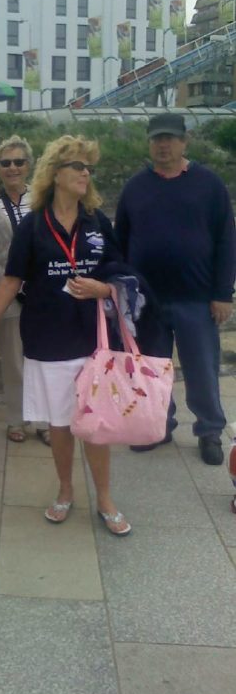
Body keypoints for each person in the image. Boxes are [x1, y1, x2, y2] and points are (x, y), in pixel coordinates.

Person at [0, 135, 132, 536]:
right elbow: (10, 280)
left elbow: (121, 271)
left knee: (95, 424)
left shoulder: (98, 221)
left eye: (89, 168)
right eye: (78, 167)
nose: (86, 173)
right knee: (61, 425)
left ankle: (104, 497)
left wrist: (105, 289)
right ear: (55, 174)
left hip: (93, 342)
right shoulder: (34, 224)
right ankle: (66, 490)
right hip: (48, 340)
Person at [115, 113, 235, 465]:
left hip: (196, 298)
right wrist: (122, 288)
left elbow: (227, 241)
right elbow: (120, 240)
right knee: (152, 369)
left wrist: (222, 293)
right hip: (147, 301)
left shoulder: (209, 184)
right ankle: (158, 426)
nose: (162, 145)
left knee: (202, 369)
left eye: (169, 138)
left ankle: (210, 430)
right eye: (156, 139)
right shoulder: (135, 187)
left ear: (185, 141)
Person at [0, 135, 49, 445]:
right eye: (6, 163)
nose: (13, 168)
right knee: (14, 360)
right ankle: (16, 418)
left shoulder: (44, 197)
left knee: (43, 358)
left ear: (29, 165)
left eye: (19, 161)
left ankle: (45, 420)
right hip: (4, 291)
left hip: (43, 291)